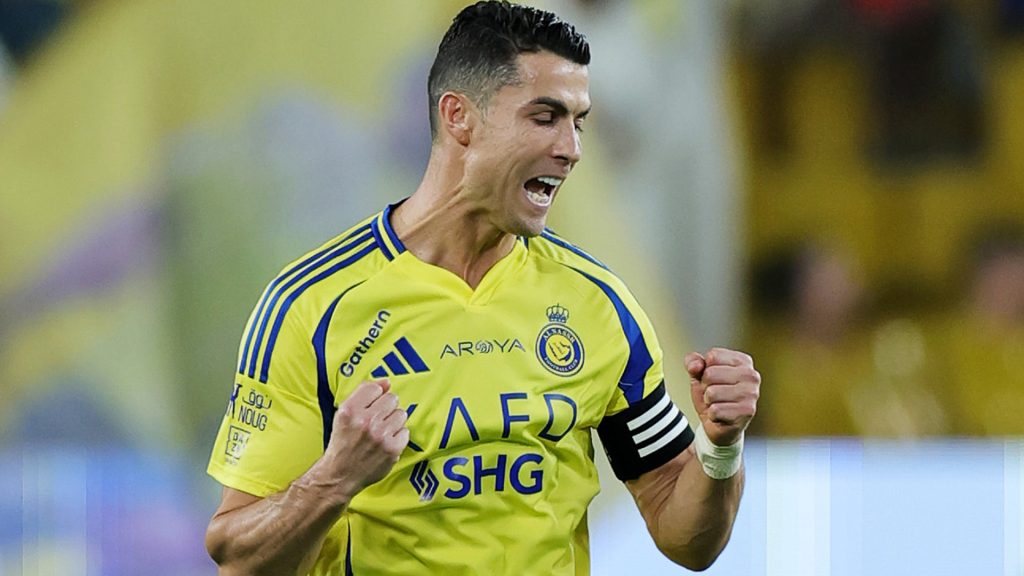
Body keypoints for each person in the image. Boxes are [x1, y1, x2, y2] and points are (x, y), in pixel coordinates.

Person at [204, 2, 760, 574]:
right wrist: (334, 480)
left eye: (579, 121)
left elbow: (688, 541)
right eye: (546, 117)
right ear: (459, 117)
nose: (571, 149)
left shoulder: (600, 305)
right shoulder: (313, 306)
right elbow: (238, 557)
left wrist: (720, 447)